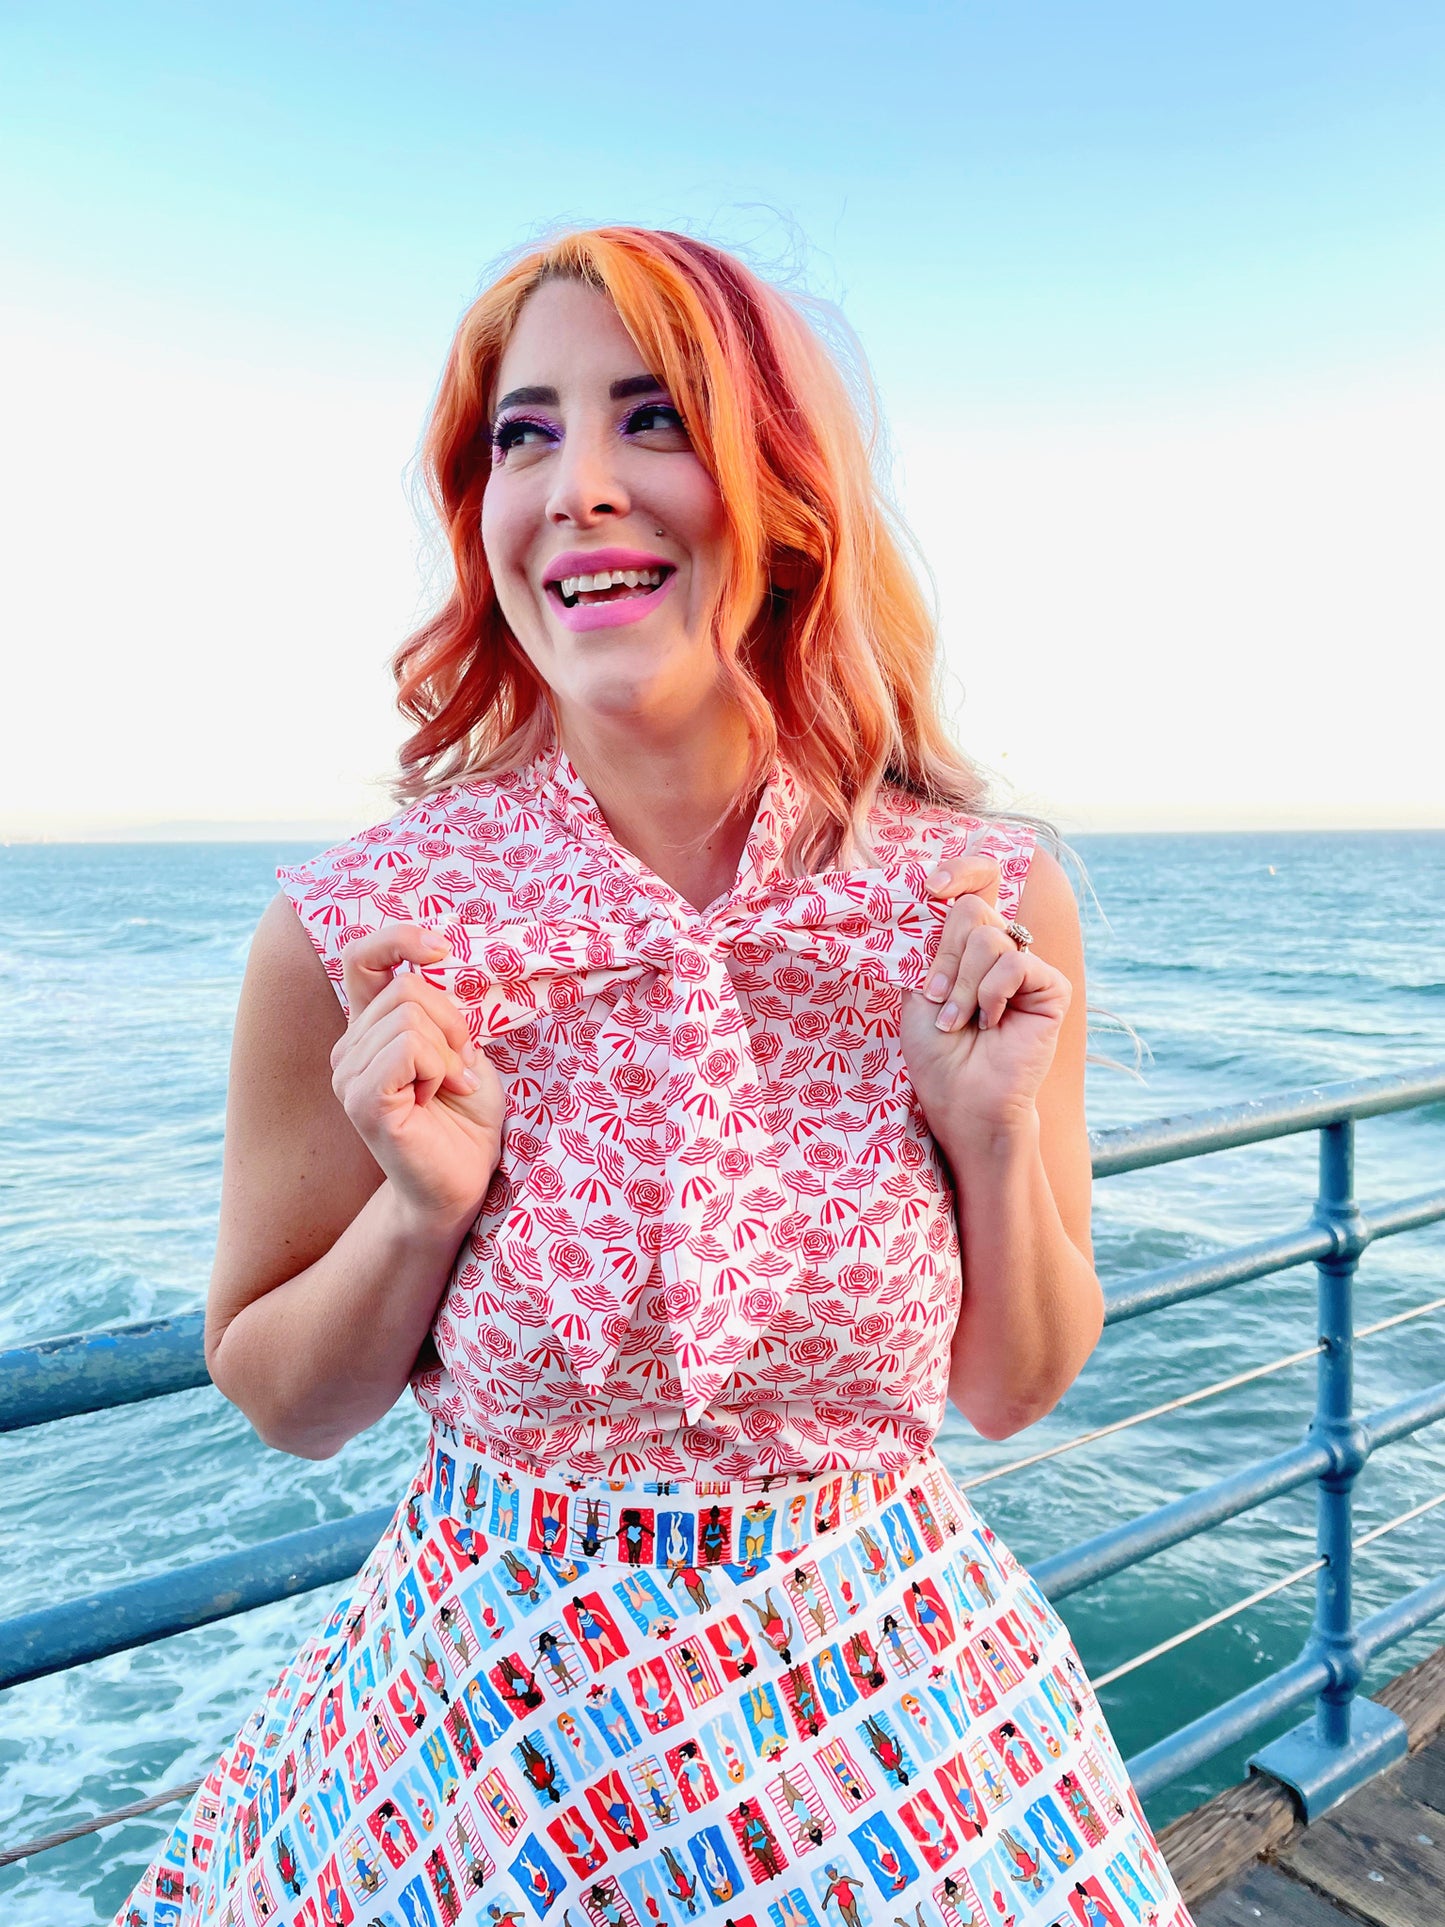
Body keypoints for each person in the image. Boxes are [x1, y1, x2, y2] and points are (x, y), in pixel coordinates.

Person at [114, 224, 1193, 1924]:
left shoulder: (971, 895)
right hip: (480, 1758)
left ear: (786, 499)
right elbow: (282, 1400)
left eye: (656, 420)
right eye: (522, 437)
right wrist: (420, 1212)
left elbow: (1010, 1390)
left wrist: (987, 1142)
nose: (579, 485)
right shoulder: (368, 929)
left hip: (896, 1734)